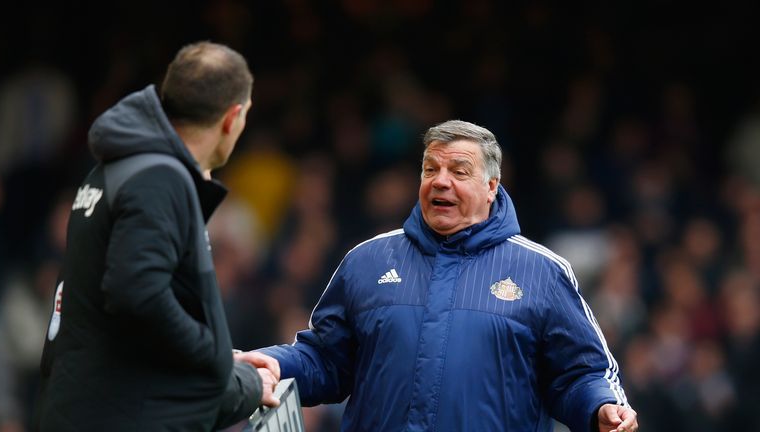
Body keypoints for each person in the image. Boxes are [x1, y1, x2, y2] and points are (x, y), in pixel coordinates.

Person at [243, 120, 638, 431]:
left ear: (491, 187)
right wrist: (280, 364)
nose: (440, 180)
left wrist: (600, 406)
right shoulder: (367, 260)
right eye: (430, 168)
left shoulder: (542, 272)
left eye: (458, 170)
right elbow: (326, 359)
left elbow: (582, 372)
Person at [34, 41, 280, 431]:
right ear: (233, 118)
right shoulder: (158, 179)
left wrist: (226, 368)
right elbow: (138, 294)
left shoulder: (115, 168)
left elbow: (132, 331)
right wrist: (217, 362)